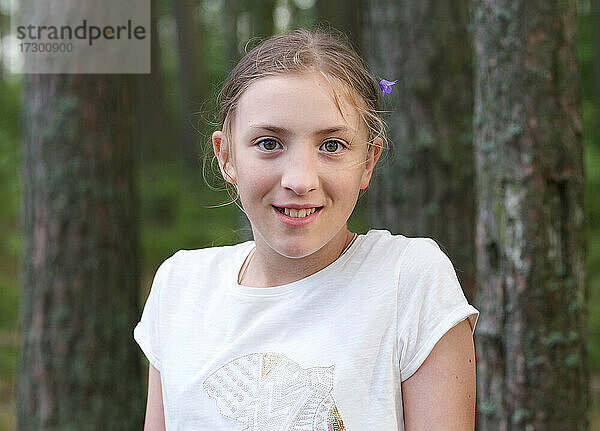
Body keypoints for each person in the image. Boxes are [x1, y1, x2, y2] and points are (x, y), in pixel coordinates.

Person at [134, 27, 479, 431]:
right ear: (226, 156)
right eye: (269, 143)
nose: (300, 180)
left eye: (331, 146)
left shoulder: (408, 279)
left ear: (368, 161)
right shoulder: (180, 286)